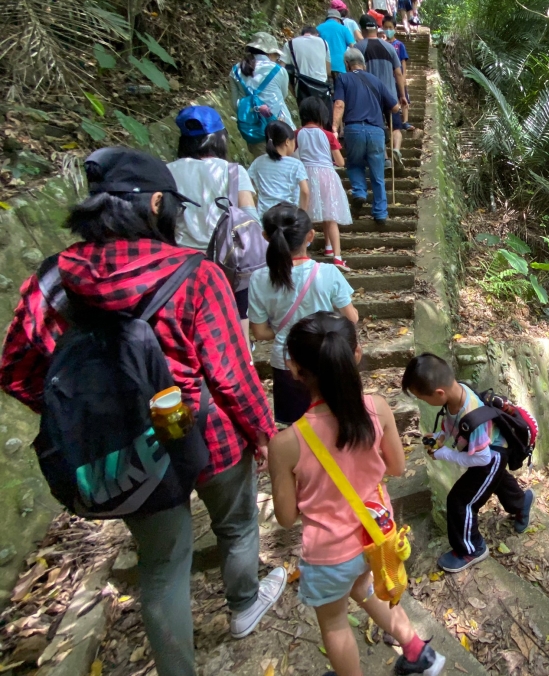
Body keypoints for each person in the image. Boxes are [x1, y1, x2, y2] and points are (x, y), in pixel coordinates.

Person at [0, 147, 285, 676]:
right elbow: (230, 372)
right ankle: (244, 604)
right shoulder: (195, 274)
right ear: (157, 203)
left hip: (130, 449)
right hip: (210, 432)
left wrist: (90, 412)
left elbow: (17, 369)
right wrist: (264, 433)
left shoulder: (54, 280)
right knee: (239, 525)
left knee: (159, 566)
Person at [267, 314, 446, 676]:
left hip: (330, 553)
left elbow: (285, 517)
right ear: (358, 355)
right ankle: (417, 652)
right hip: (376, 535)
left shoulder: (286, 443)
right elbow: (396, 467)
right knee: (364, 588)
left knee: (334, 623)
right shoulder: (377, 408)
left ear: (294, 369)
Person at [401, 353, 534, 573]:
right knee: (498, 481)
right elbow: (451, 422)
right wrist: (441, 436)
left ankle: (471, 549)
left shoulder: (472, 412)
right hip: (488, 449)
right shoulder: (456, 391)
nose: (425, 403)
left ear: (439, 393)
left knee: (461, 501)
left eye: (424, 399)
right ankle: (522, 502)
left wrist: (444, 454)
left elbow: (482, 459)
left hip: (492, 455)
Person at [249, 205, 358, 425]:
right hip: (328, 357)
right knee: (333, 419)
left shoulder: (259, 278)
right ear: (310, 235)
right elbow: (352, 318)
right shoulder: (327, 272)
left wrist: (284, 330)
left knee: (296, 426)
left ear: (266, 237)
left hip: (287, 361)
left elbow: (259, 332)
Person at [167, 106, 258, 337]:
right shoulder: (233, 171)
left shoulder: (167, 172)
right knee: (238, 327)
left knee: (189, 328)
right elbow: (251, 219)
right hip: (228, 264)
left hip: (180, 265)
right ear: (220, 138)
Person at [333, 47, 400, 226]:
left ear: (347, 64)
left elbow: (339, 104)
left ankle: (360, 193)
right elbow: (395, 108)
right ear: (363, 63)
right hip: (376, 131)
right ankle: (380, 213)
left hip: (354, 128)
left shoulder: (343, 78)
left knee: (354, 164)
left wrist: (334, 127)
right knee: (377, 174)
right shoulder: (376, 81)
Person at [296, 97, 352, 270]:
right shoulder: (328, 136)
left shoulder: (296, 134)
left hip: (305, 175)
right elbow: (341, 162)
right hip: (327, 175)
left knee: (307, 215)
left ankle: (303, 253)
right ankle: (336, 255)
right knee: (330, 214)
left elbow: (293, 155)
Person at [355, 15, 408, 161]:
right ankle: (396, 149)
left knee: (378, 127)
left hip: (371, 97)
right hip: (390, 94)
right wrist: (402, 95)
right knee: (396, 127)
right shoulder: (390, 47)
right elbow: (398, 73)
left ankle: (385, 158)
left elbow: (355, 73)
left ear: (362, 29)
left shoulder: (359, 48)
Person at [231, 32, 292, 154]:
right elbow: (283, 95)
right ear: (269, 53)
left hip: (254, 129)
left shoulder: (236, 70)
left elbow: (235, 104)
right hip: (281, 126)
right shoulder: (279, 70)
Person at [248, 121, 309, 218]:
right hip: (289, 215)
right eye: (294, 141)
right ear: (287, 142)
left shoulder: (258, 162)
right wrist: (302, 214)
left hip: (265, 216)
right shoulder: (296, 164)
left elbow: (248, 187)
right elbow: (305, 191)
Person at [281, 25, 332, 105]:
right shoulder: (324, 42)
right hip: (321, 88)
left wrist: (293, 91)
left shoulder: (289, 44)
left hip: (302, 89)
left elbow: (281, 70)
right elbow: (328, 71)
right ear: (317, 35)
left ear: (302, 34)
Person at [382, 14, 415, 135]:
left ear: (395, 28)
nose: (388, 30)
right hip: (387, 78)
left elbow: (403, 61)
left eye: (390, 27)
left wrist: (404, 74)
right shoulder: (382, 44)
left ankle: (405, 121)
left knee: (403, 97)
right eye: (386, 27)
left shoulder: (399, 45)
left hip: (398, 77)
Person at [316, 6, 357, 83]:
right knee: (342, 92)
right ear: (338, 19)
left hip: (324, 68)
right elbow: (353, 47)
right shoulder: (343, 29)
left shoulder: (318, 29)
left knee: (328, 93)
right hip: (341, 67)